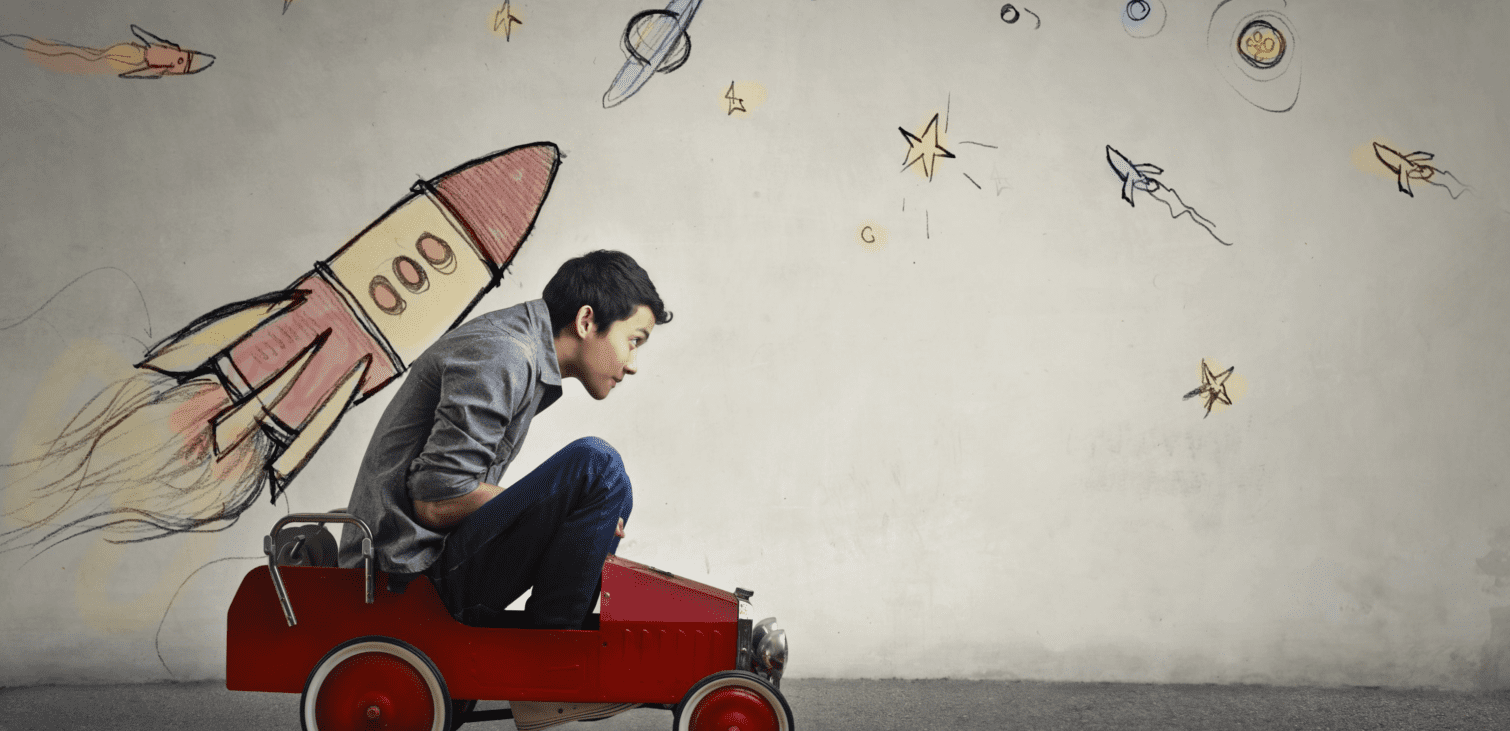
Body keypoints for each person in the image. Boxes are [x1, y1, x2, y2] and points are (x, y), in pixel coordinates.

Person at [339, 249, 671, 634]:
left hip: (425, 563)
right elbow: (434, 502)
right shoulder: (505, 354)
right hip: (405, 578)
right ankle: (553, 662)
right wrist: (549, 508)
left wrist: (555, 508)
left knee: (613, 490)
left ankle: (556, 647)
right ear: (586, 321)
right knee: (598, 467)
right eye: (633, 340)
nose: (632, 364)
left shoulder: (517, 350)